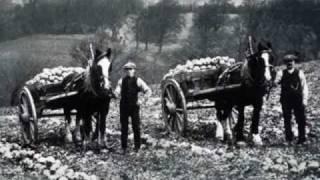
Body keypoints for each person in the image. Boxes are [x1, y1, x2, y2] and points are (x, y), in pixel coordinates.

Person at [114, 61, 152, 154]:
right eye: (127, 69)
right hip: (123, 107)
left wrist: (142, 101)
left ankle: (137, 147)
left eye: (130, 69)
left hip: (134, 107)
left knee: (136, 127)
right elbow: (117, 92)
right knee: (124, 127)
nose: (128, 71)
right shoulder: (121, 81)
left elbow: (148, 91)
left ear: (134, 70)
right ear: (125, 71)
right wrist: (114, 94)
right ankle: (124, 148)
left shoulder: (138, 80)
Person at [274, 53, 309, 145]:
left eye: (291, 61)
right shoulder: (281, 73)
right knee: (287, 119)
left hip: (298, 99)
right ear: (285, 63)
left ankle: (302, 138)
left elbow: (304, 86)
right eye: (287, 62)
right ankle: (288, 138)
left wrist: (305, 100)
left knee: (301, 119)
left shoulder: (299, 73)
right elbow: (275, 83)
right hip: (286, 100)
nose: (290, 63)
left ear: (294, 62)